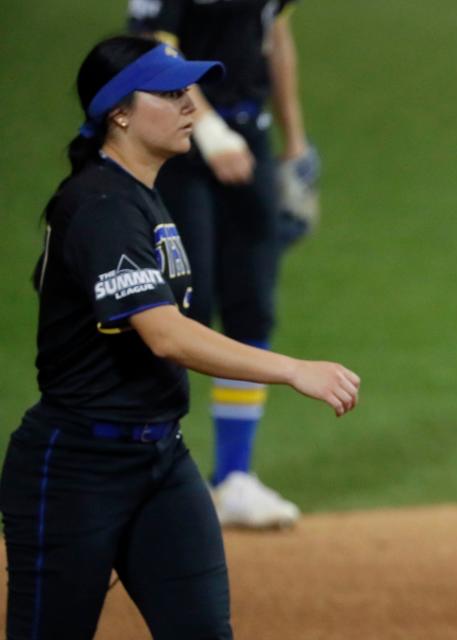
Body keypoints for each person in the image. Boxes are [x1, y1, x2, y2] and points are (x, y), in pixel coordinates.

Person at [0, 35, 359, 639]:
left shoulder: (139, 198)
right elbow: (166, 336)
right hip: (76, 470)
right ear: (118, 112)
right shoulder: (102, 203)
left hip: (160, 462)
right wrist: (294, 369)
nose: (191, 103)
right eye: (169, 93)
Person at [127, 0, 320, 528]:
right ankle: (160, 470)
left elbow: (275, 34)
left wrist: (294, 142)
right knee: (186, 305)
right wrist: (207, 131)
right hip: (180, 145)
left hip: (249, 138)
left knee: (252, 302)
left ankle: (235, 477)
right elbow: (155, 47)